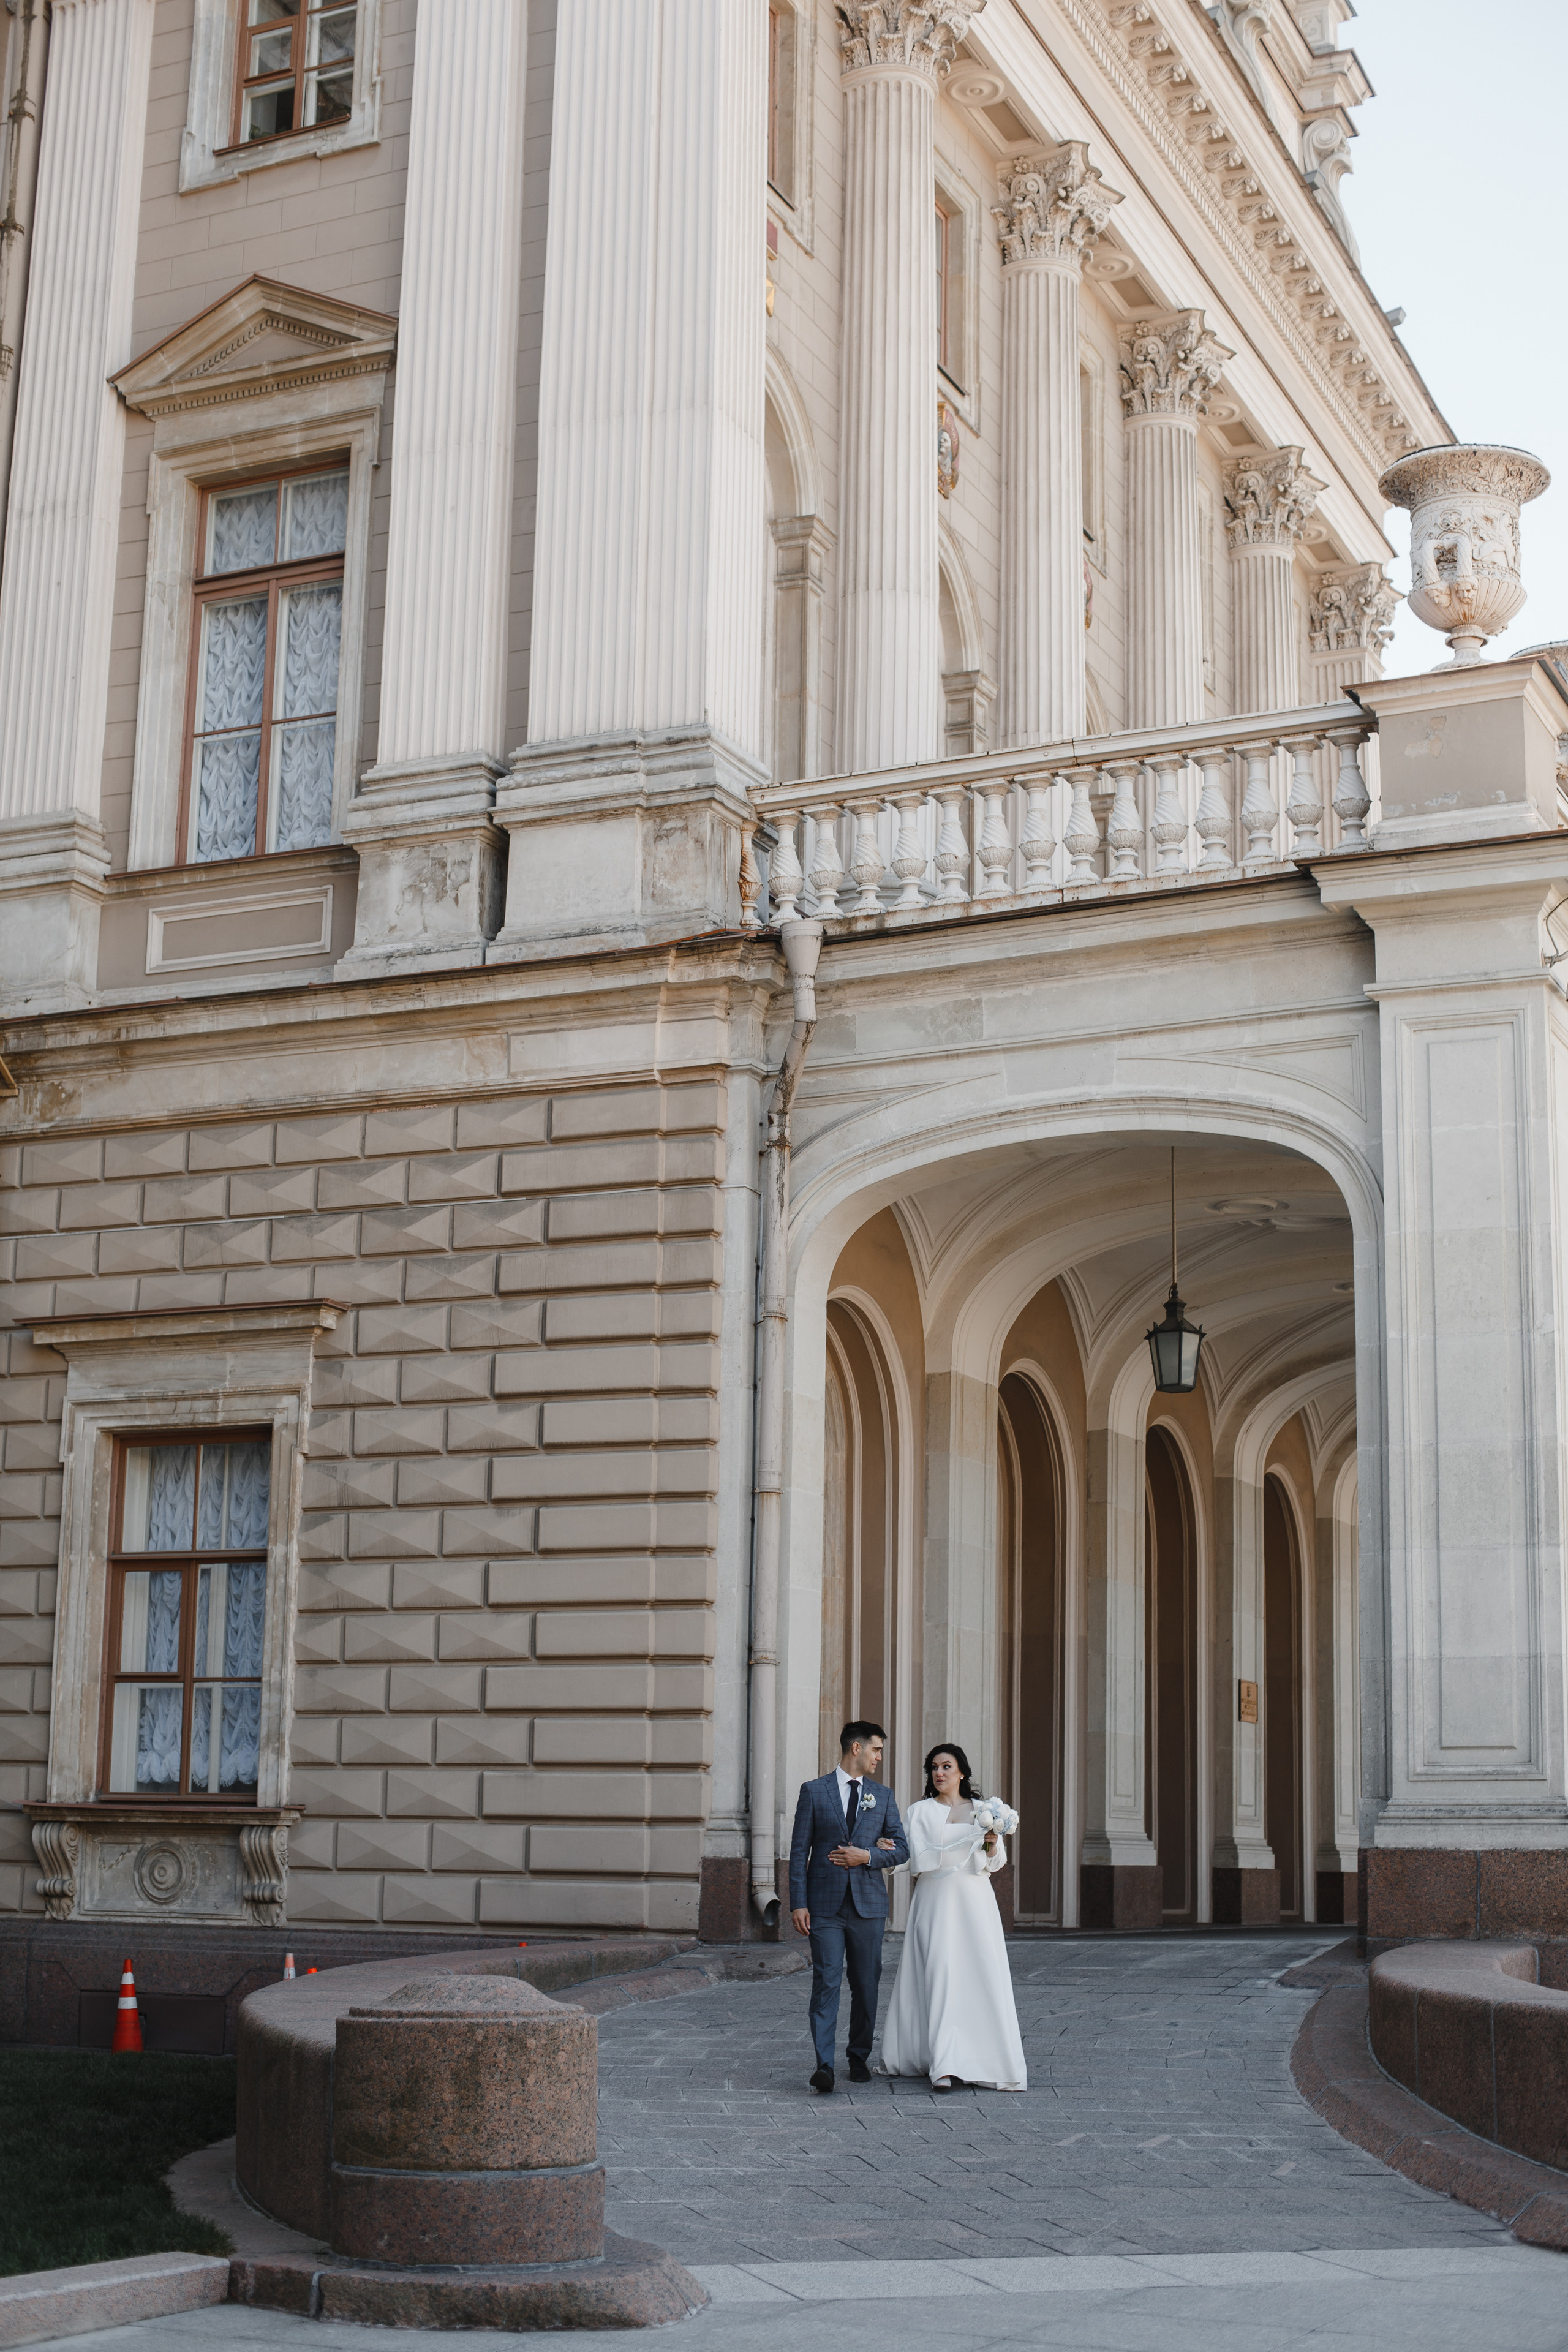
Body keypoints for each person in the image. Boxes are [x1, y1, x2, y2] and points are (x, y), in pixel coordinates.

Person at [878, 1741, 1027, 2093]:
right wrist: (885, 1852)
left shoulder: (984, 1810)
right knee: (939, 1973)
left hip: (975, 1901)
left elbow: (996, 1862)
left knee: (978, 1976)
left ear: (962, 1772)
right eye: (934, 1768)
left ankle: (981, 2060)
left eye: (946, 1766)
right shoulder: (919, 1811)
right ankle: (942, 2064)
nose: (939, 1773)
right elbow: (907, 1856)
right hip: (934, 1900)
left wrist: (992, 1843)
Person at [788, 1719, 909, 2094]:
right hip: (824, 1906)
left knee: (866, 1984)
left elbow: (902, 1849)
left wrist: (868, 1855)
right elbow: (799, 1852)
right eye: (877, 1749)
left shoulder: (882, 1796)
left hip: (868, 1906)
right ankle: (824, 2065)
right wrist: (798, 1903)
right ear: (857, 1748)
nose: (879, 1757)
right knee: (826, 1981)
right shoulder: (814, 1791)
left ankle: (858, 2057)